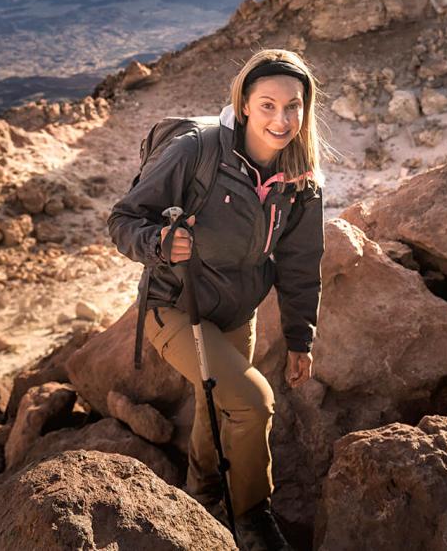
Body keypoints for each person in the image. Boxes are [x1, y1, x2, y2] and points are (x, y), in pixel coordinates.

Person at [107, 48, 328, 551]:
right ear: (245, 104)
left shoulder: (301, 181)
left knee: (217, 410)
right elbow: (122, 220)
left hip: (236, 313)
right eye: (267, 104)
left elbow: (298, 265)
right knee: (253, 402)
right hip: (175, 308)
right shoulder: (196, 150)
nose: (281, 118)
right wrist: (159, 244)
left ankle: (200, 498)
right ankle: (252, 519)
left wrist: (300, 339)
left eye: (293, 106)